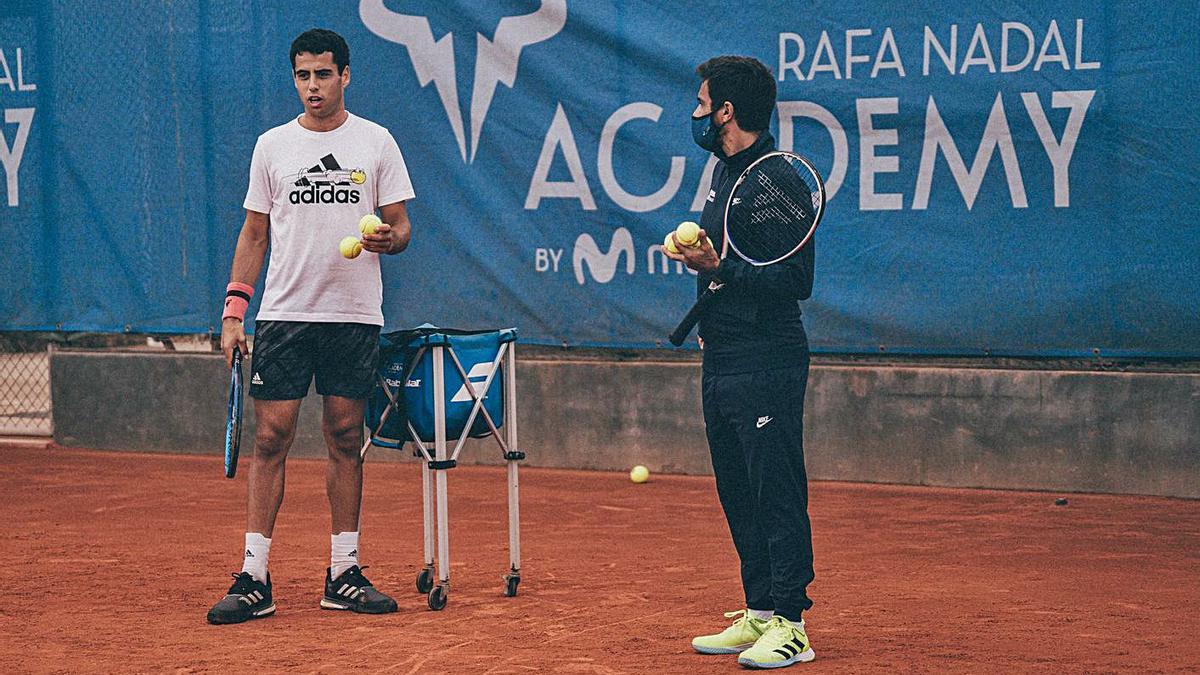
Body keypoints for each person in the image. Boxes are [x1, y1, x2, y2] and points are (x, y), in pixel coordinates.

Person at [207, 28, 415, 625]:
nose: (313, 86)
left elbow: (401, 228)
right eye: (303, 75)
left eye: (323, 74)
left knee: (346, 437)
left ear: (345, 75)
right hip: (284, 315)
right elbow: (254, 234)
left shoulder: (376, 142)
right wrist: (233, 312)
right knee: (272, 437)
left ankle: (343, 572)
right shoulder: (272, 147)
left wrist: (387, 238)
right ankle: (253, 577)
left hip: (353, 316)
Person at [663, 55, 818, 668]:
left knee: (774, 486)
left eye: (703, 104)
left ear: (727, 111)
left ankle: (793, 623)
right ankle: (759, 611)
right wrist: (704, 262)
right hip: (723, 353)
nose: (696, 113)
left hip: (767, 355)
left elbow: (795, 280)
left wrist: (716, 268)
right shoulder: (725, 173)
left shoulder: (775, 179)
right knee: (737, 488)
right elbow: (730, 264)